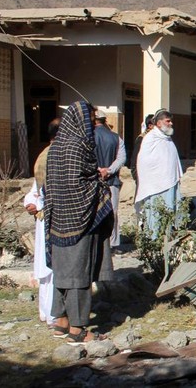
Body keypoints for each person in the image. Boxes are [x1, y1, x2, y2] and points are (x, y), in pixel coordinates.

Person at [44, 101, 113, 344]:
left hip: (57, 220)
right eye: (90, 120)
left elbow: (53, 184)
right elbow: (78, 185)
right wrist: (100, 183)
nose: (93, 126)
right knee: (78, 275)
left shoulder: (55, 147)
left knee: (62, 272)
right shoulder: (78, 146)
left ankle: (61, 321)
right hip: (79, 219)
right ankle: (78, 329)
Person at [23, 118, 60, 329]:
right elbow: (36, 191)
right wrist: (32, 204)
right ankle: (52, 314)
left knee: (50, 270)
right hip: (52, 219)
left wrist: (33, 202)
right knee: (51, 270)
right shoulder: (53, 155)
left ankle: (49, 313)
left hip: (48, 218)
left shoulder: (45, 155)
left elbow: (34, 193)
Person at [135, 109, 182, 240]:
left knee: (169, 211)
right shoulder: (150, 138)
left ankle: (167, 238)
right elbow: (144, 163)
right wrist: (157, 177)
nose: (171, 123)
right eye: (168, 121)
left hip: (170, 183)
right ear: (159, 123)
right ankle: (154, 241)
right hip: (155, 187)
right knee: (156, 213)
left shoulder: (167, 139)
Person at [94, 109, 126, 249]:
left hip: (93, 181)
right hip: (112, 181)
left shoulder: (87, 137)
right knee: (112, 212)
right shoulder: (116, 138)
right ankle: (113, 243)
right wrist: (109, 170)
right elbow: (122, 158)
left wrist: (98, 170)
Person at [130, 114, 154, 182]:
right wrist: (136, 175)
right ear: (150, 126)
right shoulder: (142, 139)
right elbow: (135, 158)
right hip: (143, 176)